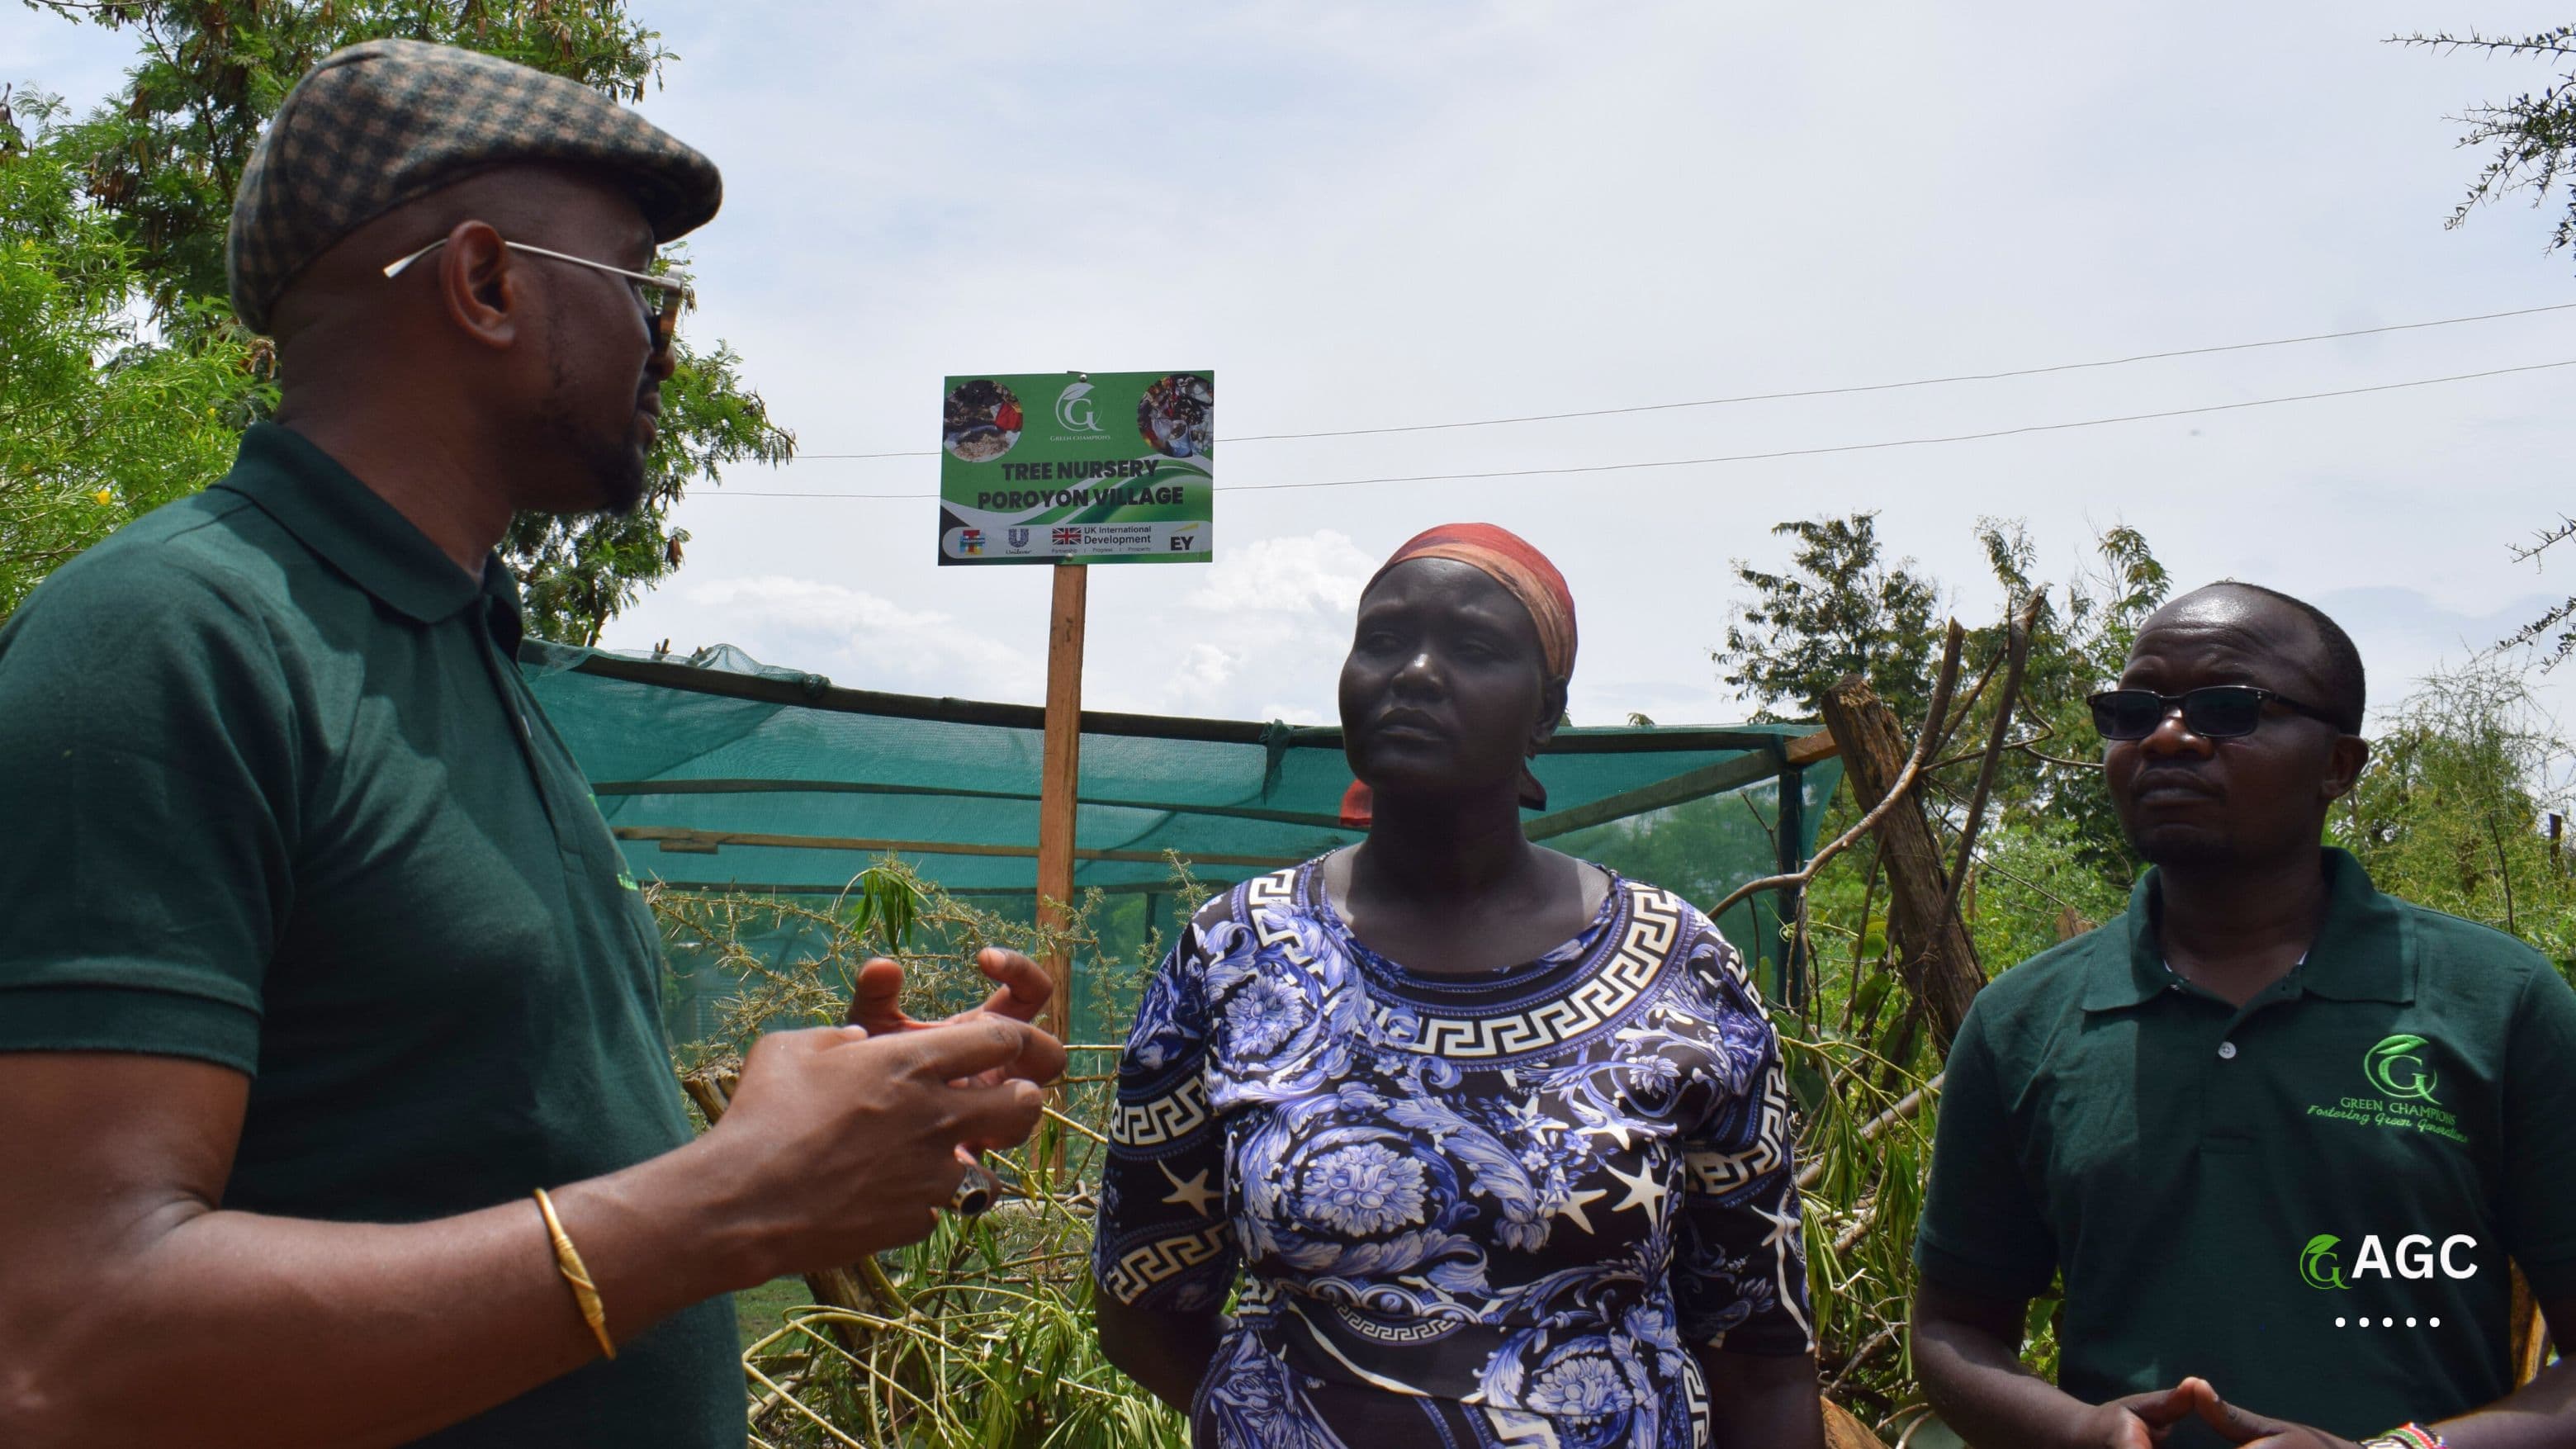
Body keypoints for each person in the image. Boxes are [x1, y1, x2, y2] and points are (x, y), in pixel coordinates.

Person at [0, 40, 1060, 1448]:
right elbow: (65, 1347)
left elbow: (455, 1154)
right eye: (643, 286)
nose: (665, 343)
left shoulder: (452, 648)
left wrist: (835, 1138)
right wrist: (728, 1202)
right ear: (486, 283)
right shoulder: (168, 640)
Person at [1091, 523, 1824, 1449]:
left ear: (1546, 712)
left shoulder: (1680, 963)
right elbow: (1142, 1301)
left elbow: (1760, 1348)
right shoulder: (1237, 950)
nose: (1417, 673)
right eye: (1384, 641)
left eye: (1473, 649)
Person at [1911, 581, 2576, 1449]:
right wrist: (2076, 1433)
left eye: (2227, 710)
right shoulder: (2025, 1023)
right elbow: (1953, 1330)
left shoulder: (2498, 1002)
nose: (2167, 737)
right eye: (2133, 709)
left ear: (2339, 766)